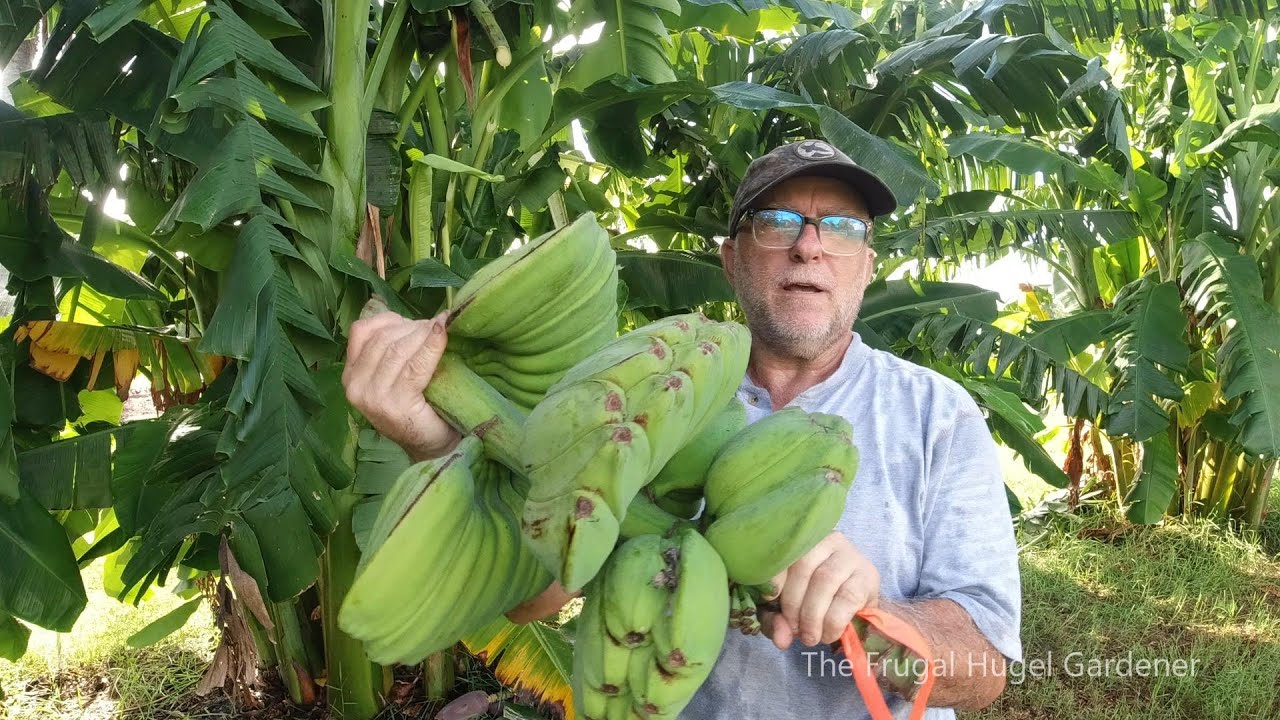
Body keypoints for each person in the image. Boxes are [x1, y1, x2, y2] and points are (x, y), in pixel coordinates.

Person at [343, 139, 1022, 719]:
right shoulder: (646, 388)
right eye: (778, 222)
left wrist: (872, 617)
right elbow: (536, 589)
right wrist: (439, 446)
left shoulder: (938, 414)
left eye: (842, 228)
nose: (809, 247)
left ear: (867, 268)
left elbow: (987, 663)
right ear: (731, 258)